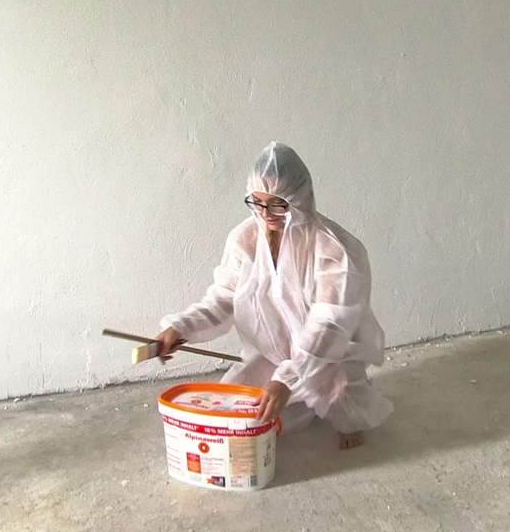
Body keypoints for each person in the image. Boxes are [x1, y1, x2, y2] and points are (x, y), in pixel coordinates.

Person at [156, 142, 392, 449]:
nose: (265, 213)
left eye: (277, 204)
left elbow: (329, 327)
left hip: (329, 354)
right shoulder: (244, 239)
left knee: (338, 396)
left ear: (299, 198)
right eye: (257, 202)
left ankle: (341, 407)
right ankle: (302, 399)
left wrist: (286, 380)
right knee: (236, 410)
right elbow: (223, 297)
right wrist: (181, 327)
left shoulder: (334, 249)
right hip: (272, 354)